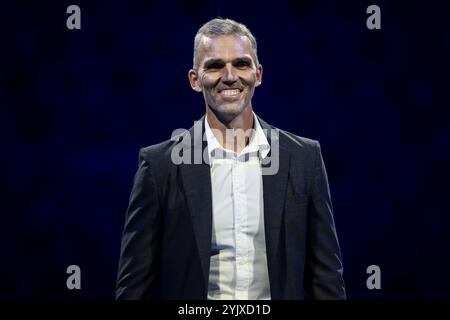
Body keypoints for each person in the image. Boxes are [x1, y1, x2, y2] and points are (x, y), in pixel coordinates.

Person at [116, 18, 345, 300]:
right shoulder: (159, 166)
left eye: (241, 64)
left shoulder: (303, 157)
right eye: (214, 66)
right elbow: (134, 287)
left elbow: (326, 278)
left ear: (258, 74)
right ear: (195, 80)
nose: (230, 76)